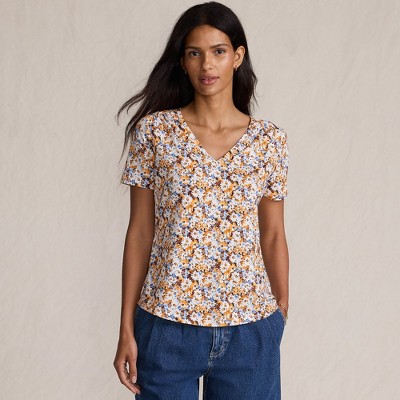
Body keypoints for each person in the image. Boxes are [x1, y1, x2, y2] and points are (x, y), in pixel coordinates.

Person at [113, 2, 290, 399]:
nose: (207, 64)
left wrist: (280, 310)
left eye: (218, 51)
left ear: (237, 57)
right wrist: (126, 326)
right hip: (167, 325)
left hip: (250, 330)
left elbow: (274, 233)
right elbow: (140, 232)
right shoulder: (155, 133)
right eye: (195, 53)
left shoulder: (269, 141)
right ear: (182, 61)